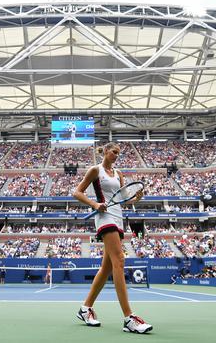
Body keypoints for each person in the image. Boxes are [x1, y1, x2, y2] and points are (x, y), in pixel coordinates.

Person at [72, 142, 153, 334]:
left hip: (118, 217)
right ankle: (129, 318)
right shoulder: (95, 170)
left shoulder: (119, 174)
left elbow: (124, 199)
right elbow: (77, 192)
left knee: (107, 267)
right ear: (106, 152)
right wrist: (95, 204)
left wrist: (137, 199)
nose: (117, 155)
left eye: (119, 153)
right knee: (120, 261)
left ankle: (85, 309)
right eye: (114, 152)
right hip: (104, 217)